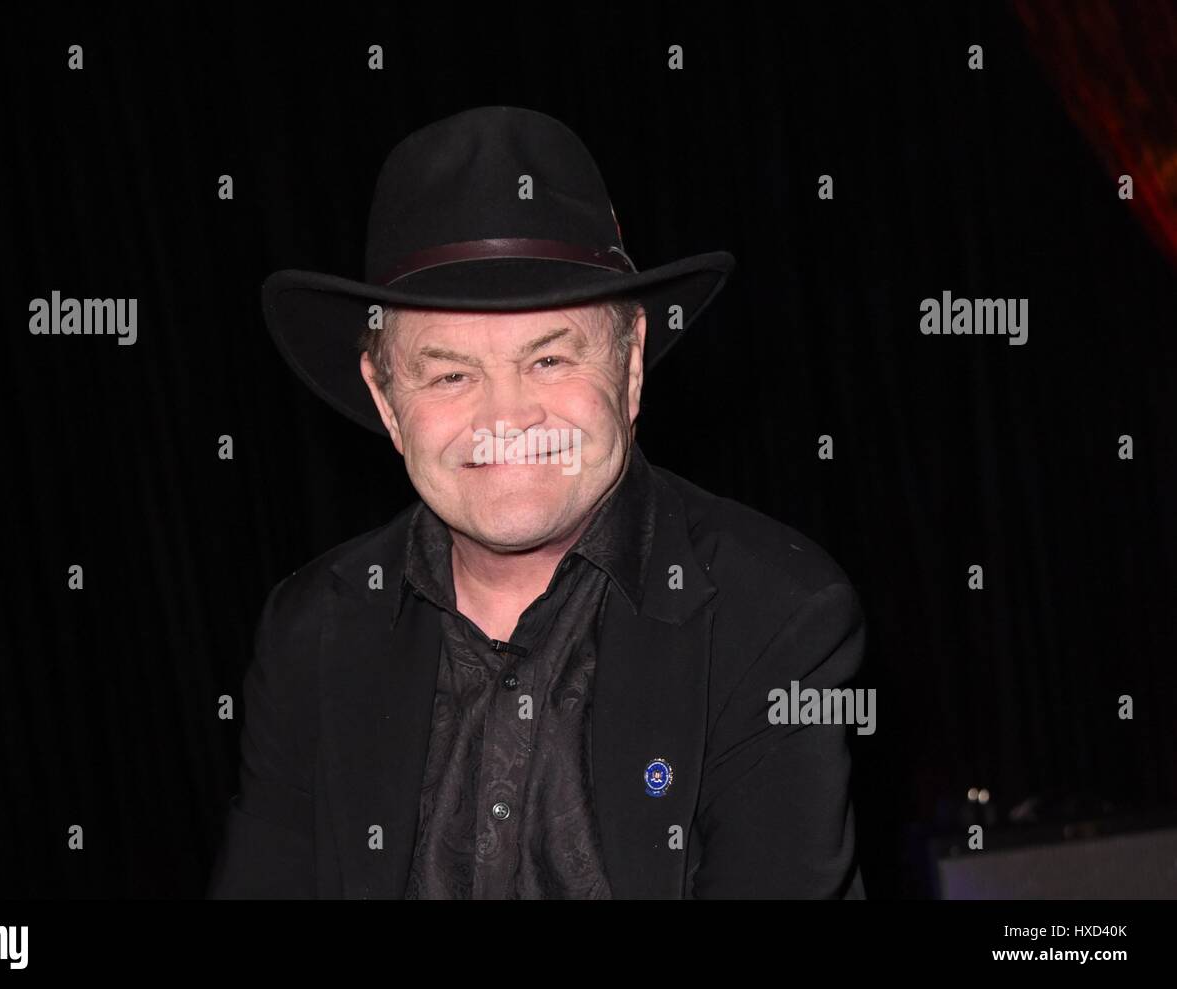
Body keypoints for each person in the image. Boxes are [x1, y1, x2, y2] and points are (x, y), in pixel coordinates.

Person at [207, 105, 866, 898]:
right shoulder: (309, 632)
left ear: (629, 369)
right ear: (385, 400)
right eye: (450, 374)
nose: (507, 417)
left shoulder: (776, 616)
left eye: (550, 358)